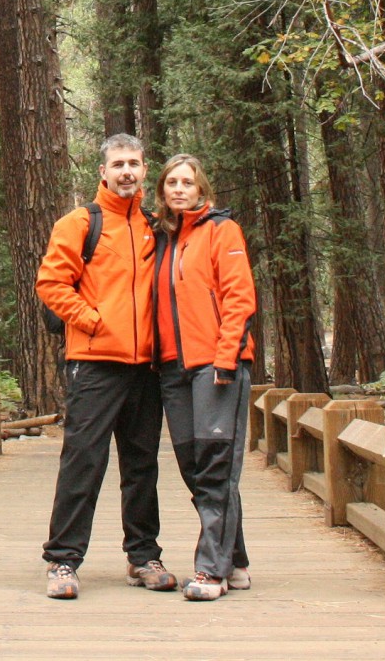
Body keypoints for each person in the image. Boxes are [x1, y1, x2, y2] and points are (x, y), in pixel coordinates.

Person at [35, 134, 178, 599]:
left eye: (135, 163)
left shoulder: (154, 226)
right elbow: (51, 283)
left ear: (144, 169)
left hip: (146, 368)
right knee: (84, 461)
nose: (127, 171)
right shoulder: (80, 223)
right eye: (118, 163)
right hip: (95, 363)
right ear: (103, 171)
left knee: (142, 466)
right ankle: (62, 561)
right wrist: (92, 321)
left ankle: (144, 556)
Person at [152, 153, 256, 601]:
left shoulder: (221, 230)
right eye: (171, 182)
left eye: (187, 182)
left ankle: (210, 571)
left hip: (216, 365)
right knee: (196, 470)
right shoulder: (162, 239)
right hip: (172, 369)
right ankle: (237, 560)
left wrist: (226, 357)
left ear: (201, 190)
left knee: (216, 467)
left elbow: (239, 297)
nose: (179, 188)